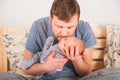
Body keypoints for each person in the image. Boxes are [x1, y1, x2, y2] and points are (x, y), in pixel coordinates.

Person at [22, 0, 97, 80]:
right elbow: (26, 70)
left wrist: (77, 60)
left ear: (77, 21)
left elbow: (87, 72)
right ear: (51, 18)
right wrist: (46, 66)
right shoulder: (38, 27)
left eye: (70, 27)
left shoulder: (84, 28)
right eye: (59, 26)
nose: (64, 33)